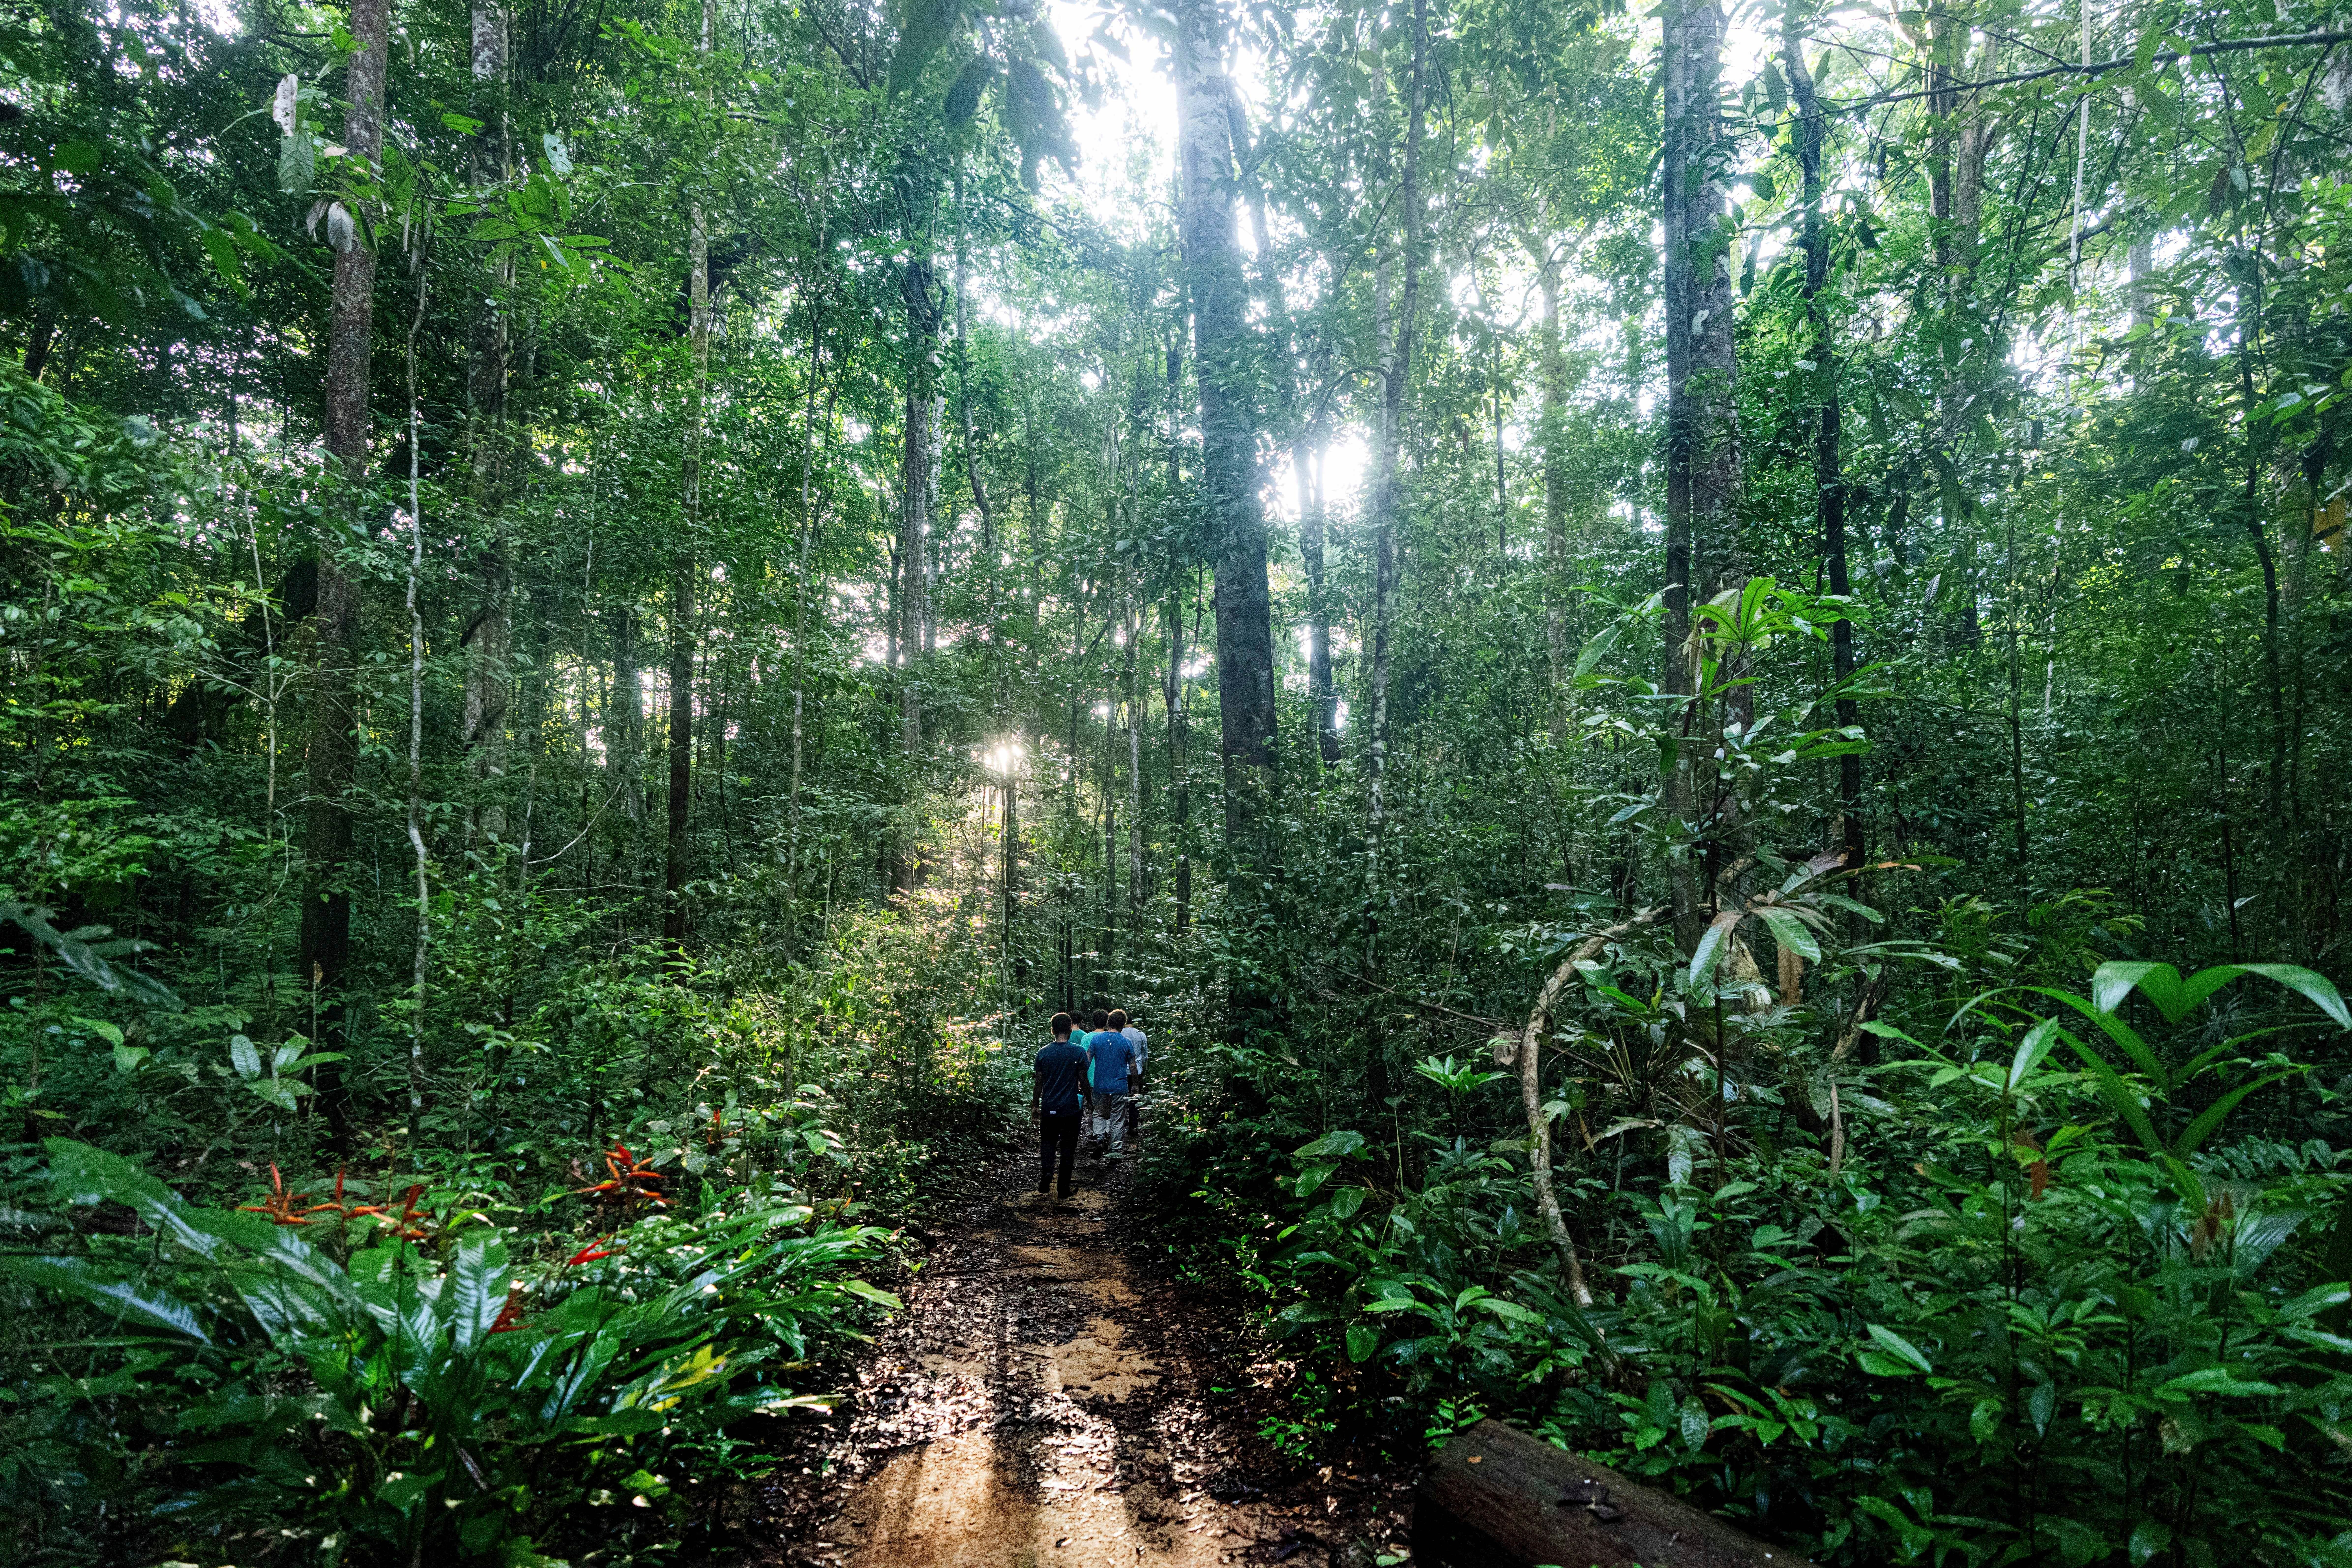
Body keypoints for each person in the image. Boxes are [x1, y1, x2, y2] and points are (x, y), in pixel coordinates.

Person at [1032, 1012, 1088, 1198]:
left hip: (1049, 1108)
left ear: (1052, 1031)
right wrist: (1090, 1100)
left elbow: (1038, 1083)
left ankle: (1047, 1172)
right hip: (1071, 1109)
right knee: (1068, 1147)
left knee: (1048, 1142)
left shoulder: (1043, 1053)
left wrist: (1035, 1106)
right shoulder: (1078, 1052)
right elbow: (1083, 1080)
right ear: (1070, 1030)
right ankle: (1063, 1188)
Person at [1083, 1008, 1138, 1160]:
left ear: (1109, 1022)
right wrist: (1135, 1085)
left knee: (1099, 1114)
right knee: (1118, 1119)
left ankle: (1101, 1138)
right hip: (1120, 1087)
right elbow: (1133, 1066)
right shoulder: (1126, 1043)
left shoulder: (1096, 1040)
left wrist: (1080, 1080)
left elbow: (1087, 1062)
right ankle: (1115, 1150)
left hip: (1100, 1086)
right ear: (1124, 1025)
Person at [1113, 1008, 1147, 1140]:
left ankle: (1119, 1127)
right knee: (1135, 1099)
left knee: (1119, 1100)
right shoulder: (1140, 1035)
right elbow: (1145, 1056)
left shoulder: (1119, 1033)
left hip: (1121, 1071)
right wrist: (1143, 1070)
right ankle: (1134, 1126)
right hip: (1136, 1071)